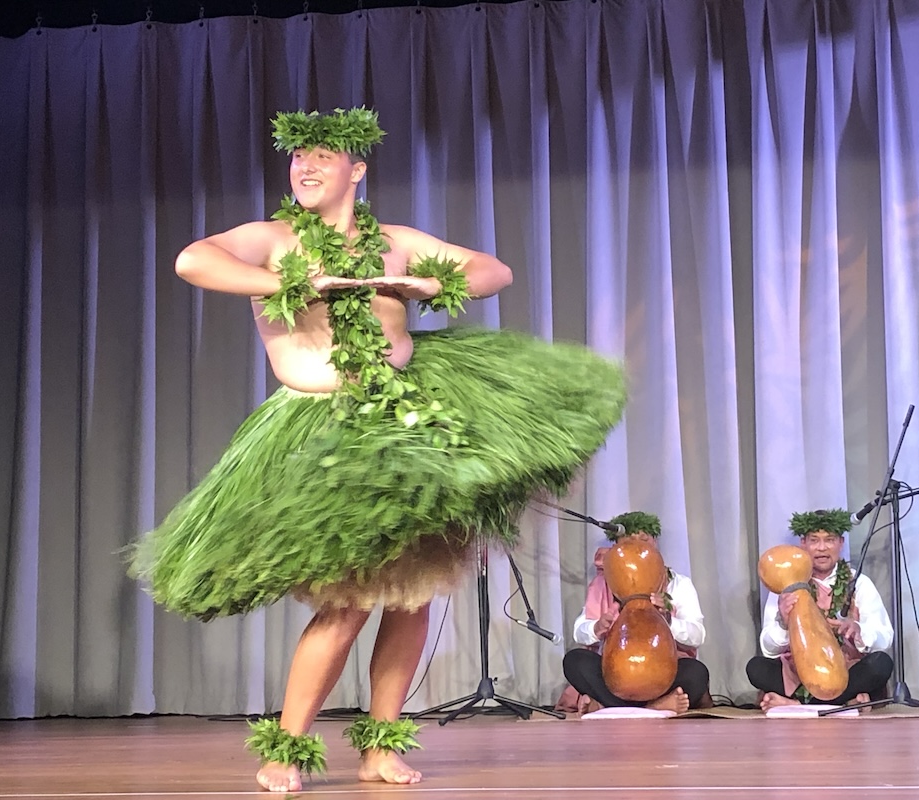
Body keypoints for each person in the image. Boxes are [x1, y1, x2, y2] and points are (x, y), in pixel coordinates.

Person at [130, 108, 626, 792]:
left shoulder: (393, 241)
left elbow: (491, 269)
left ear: (356, 170)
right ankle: (286, 748)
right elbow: (194, 259)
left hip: (410, 420)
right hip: (325, 434)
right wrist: (297, 284)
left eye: (322, 157)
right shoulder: (273, 239)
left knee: (411, 598)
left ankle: (381, 746)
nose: (304, 167)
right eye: (297, 157)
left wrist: (430, 284)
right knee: (347, 603)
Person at [560, 512, 709, 715]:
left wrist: (668, 621)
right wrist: (596, 628)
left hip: (663, 673)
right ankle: (655, 707)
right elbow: (579, 631)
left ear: (654, 544)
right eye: (628, 543)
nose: (637, 547)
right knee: (575, 660)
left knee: (696, 673)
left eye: (644, 540)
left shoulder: (678, 584)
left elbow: (697, 635)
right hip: (615, 674)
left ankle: (607, 706)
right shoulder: (602, 584)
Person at [746, 508, 894, 711]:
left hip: (845, 668)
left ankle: (798, 706)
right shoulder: (785, 584)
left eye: (830, 540)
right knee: (756, 668)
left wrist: (859, 630)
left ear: (841, 543)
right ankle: (841, 705)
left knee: (880, 664)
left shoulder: (858, 582)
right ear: (803, 544)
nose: (822, 548)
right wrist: (783, 621)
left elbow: (885, 638)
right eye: (814, 540)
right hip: (798, 672)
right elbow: (768, 649)